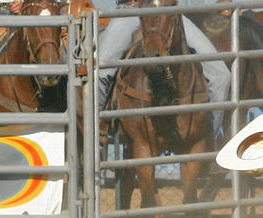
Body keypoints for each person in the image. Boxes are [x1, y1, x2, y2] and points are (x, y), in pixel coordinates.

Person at [97, 0, 231, 136]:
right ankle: (96, 133)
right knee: (101, 69)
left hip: (168, 14)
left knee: (221, 76)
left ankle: (209, 139)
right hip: (131, 10)